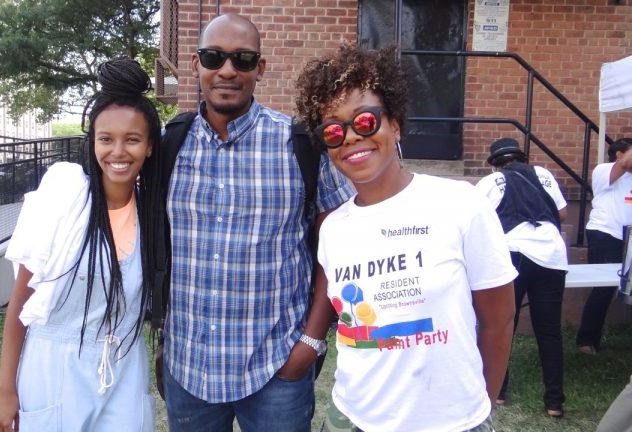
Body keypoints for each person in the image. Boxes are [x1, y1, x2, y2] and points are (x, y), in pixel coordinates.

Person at [294, 42, 517, 432]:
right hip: (352, 418)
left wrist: (477, 408)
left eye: (364, 121)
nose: (349, 138)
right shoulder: (333, 228)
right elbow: (350, 323)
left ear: (394, 123)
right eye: (333, 130)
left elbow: (499, 321)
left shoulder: (460, 204)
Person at [153, 13, 354, 432]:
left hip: (276, 366)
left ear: (259, 68)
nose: (227, 70)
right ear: (196, 65)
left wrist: (311, 341)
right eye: (214, 57)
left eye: (242, 59)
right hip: (188, 366)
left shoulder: (300, 145)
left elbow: (342, 249)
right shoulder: (167, 145)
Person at [0, 57, 159, 432]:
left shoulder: (154, 214)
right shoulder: (65, 197)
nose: (118, 152)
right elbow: (22, 299)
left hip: (124, 370)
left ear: (149, 147)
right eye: (106, 139)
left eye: (132, 139)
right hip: (53, 368)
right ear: (92, 142)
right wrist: (6, 387)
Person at [475, 137, 568, 418]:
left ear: (495, 164)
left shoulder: (491, 183)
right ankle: (554, 402)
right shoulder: (544, 174)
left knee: (504, 325)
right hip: (551, 256)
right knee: (549, 330)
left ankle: (499, 391)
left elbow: (476, 219)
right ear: (522, 158)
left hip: (512, 255)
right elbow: (561, 213)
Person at [576, 137, 632, 355]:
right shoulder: (604, 170)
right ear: (618, 155)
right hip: (605, 234)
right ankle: (586, 341)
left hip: (627, 238)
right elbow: (626, 164)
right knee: (603, 288)